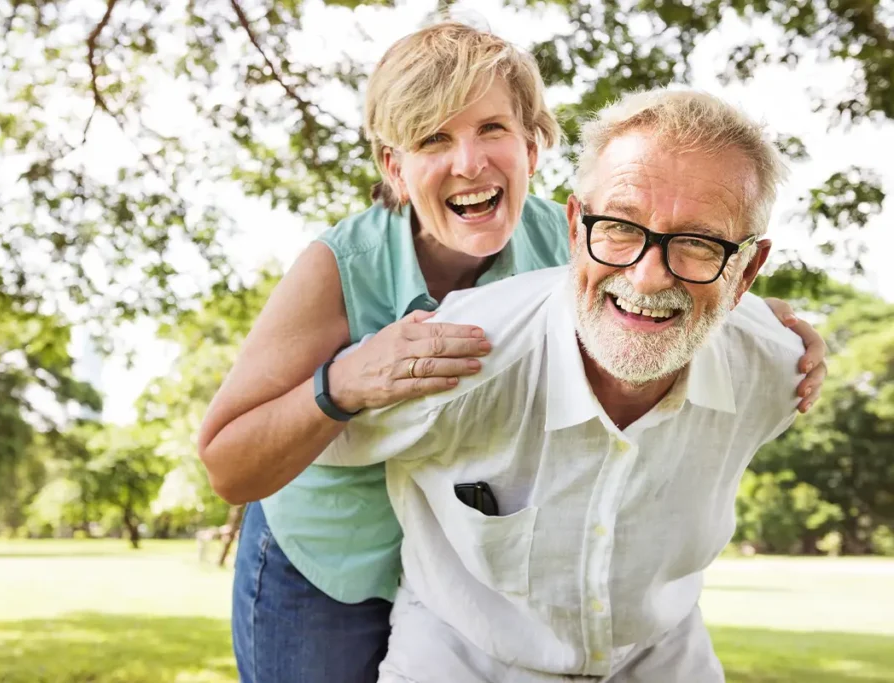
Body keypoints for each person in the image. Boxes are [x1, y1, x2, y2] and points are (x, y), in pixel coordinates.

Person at [197, 22, 827, 683]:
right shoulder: (340, 268)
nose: (469, 162)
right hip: (333, 552)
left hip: (458, 549)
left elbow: (662, 266)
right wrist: (343, 382)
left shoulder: (574, 239)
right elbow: (228, 465)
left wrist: (759, 316)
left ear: (533, 145)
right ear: (394, 166)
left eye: (491, 129)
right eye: (433, 138)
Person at [318, 88, 808, 682]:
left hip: (662, 656)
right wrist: (335, 385)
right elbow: (324, 442)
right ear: (576, 226)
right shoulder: (458, 355)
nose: (648, 277)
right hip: (462, 659)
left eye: (699, 243)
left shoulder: (779, 370)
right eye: (620, 228)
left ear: (746, 271)